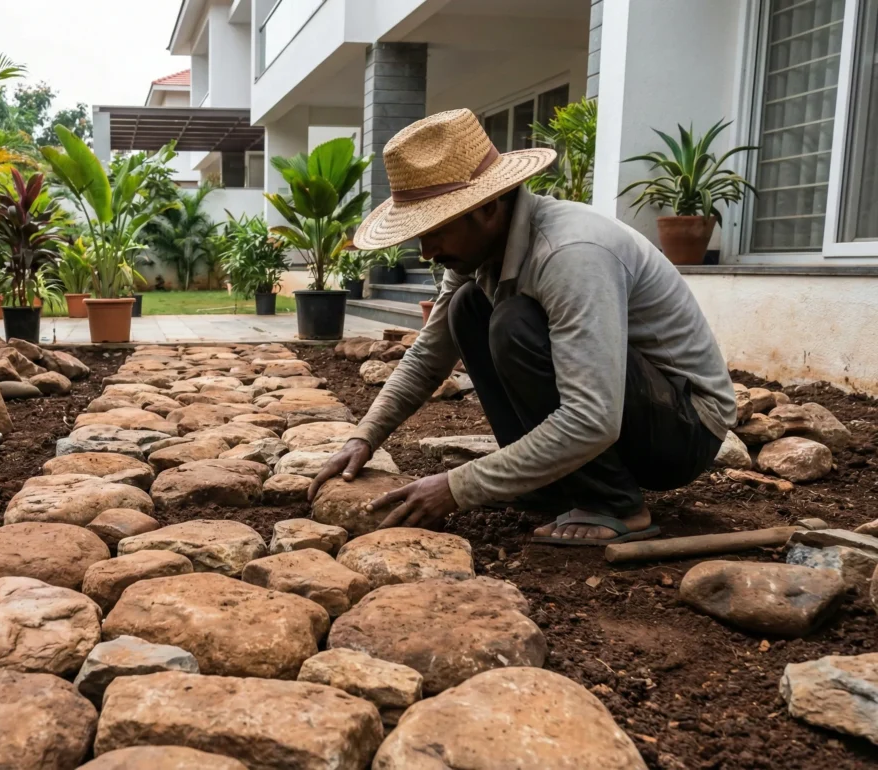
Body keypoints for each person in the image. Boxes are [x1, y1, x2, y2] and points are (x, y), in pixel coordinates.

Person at [308, 108, 736, 545]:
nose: (426, 251)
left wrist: (457, 487)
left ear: (487, 207)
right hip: (632, 413)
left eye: (434, 230)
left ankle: (613, 502)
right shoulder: (474, 254)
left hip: (684, 430)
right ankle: (552, 486)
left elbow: (593, 419)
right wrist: (364, 437)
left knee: (513, 322)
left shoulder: (570, 254)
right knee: (467, 310)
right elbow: (427, 356)